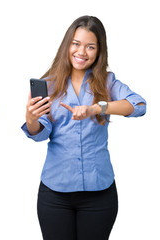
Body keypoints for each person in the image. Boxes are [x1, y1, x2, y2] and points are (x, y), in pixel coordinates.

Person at [22, 15, 146, 240]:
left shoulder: (107, 82)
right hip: (55, 193)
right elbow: (40, 134)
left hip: (99, 193)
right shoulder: (48, 85)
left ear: (99, 52)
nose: (82, 52)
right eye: (76, 44)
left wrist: (97, 108)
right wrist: (31, 118)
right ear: (67, 45)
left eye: (90, 47)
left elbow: (139, 105)